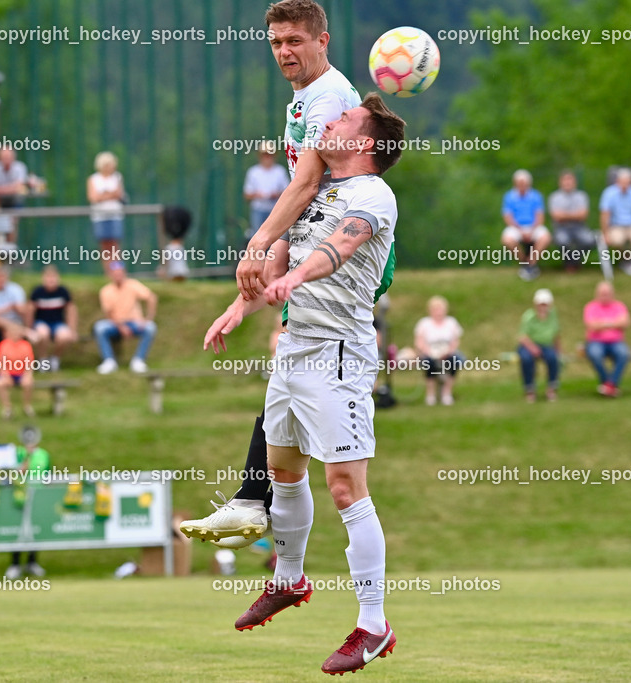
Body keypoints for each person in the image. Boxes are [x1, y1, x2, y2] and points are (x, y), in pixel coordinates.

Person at [200, 90, 405, 674]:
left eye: (343, 117)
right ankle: (289, 580)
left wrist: (297, 279)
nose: (331, 120)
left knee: (345, 487)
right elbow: (284, 264)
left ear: (363, 141)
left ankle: (373, 624)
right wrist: (239, 308)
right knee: (282, 471)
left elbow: (340, 249)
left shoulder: (372, 195)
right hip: (293, 350)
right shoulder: (321, 192)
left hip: (337, 354)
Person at [93, 261, 157, 375]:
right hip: (115, 323)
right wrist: (121, 327)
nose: (118, 275)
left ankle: (138, 360)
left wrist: (148, 318)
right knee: (99, 328)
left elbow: (151, 297)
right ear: (111, 275)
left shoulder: (133, 285)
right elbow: (109, 313)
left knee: (150, 327)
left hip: (134, 322)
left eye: (120, 273)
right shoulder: (106, 291)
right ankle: (109, 361)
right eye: (115, 273)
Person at [4, 428, 50, 579]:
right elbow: (14, 473)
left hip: (37, 496)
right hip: (19, 496)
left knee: (34, 529)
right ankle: (15, 565)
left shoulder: (44, 454)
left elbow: (47, 473)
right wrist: (25, 462)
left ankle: (32, 563)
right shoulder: (17, 452)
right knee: (19, 530)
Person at [599, 168, 631, 275]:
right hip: (616, 226)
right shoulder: (609, 193)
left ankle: (629, 259)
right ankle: (626, 259)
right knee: (617, 240)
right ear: (617, 181)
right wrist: (605, 234)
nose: (625, 185)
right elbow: (604, 215)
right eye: (623, 181)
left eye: (627, 182)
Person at [583, 280, 631, 397]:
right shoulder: (591, 307)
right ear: (597, 294)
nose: (605, 296)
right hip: (595, 342)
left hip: (616, 342)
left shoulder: (619, 306)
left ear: (612, 294)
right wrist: (613, 323)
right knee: (595, 354)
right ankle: (609, 384)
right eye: (602, 293)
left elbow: (625, 323)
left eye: (607, 293)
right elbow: (592, 326)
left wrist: (603, 324)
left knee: (624, 353)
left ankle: (609, 385)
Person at [501, 169, 550, 280]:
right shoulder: (509, 197)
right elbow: (508, 217)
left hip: (533, 227)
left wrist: (532, 230)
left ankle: (531, 263)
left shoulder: (536, 196)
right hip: (516, 227)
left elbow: (540, 217)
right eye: (519, 183)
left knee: (545, 237)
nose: (521, 185)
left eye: (524, 183)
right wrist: (520, 230)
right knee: (507, 239)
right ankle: (524, 262)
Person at [414, 296, 464, 406]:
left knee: (456, 360)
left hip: (447, 352)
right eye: (436, 309)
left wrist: (448, 351)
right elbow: (419, 342)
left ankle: (447, 393)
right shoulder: (424, 323)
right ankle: (430, 394)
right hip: (429, 352)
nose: (439, 312)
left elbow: (455, 341)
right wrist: (429, 352)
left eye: (441, 309)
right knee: (428, 362)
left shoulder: (451, 322)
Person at [29, 266, 78, 371]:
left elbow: (71, 310)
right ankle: (43, 360)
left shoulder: (63, 292)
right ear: (43, 278)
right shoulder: (37, 292)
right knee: (43, 333)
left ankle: (55, 359)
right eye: (48, 277)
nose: (51, 280)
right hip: (41, 322)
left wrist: (72, 330)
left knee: (64, 336)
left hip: (57, 323)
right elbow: (30, 311)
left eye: (53, 277)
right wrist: (29, 329)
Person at [517, 288, 560, 402]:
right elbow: (522, 336)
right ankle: (530, 390)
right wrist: (532, 348)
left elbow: (556, 333)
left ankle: (551, 388)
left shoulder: (553, 316)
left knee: (553, 358)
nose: (543, 307)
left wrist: (558, 349)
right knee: (526, 359)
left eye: (545, 304)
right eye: (540, 304)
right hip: (528, 345)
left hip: (546, 345)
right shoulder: (529, 316)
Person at [0, 266, 32, 358]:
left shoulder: (16, 289)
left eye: (2, 277)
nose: (0, 279)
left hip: (14, 320)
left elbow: (22, 309)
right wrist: (9, 307)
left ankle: (9, 365)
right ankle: (24, 331)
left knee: (8, 331)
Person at [243, 142, 290, 239]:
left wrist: (276, 195)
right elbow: (247, 194)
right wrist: (257, 195)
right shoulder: (253, 172)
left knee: (275, 238)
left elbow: (288, 192)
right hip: (258, 210)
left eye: (270, 155)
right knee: (257, 237)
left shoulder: (280, 171)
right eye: (265, 155)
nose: (267, 158)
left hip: (275, 211)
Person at [547, 170, 592, 271]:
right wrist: (575, 215)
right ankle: (569, 263)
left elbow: (583, 215)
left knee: (589, 240)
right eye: (565, 180)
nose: (568, 183)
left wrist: (564, 215)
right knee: (562, 240)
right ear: (560, 182)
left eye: (570, 180)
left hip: (579, 228)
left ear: (575, 182)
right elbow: (556, 216)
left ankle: (574, 260)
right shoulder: (554, 197)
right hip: (561, 228)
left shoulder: (582, 196)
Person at [87, 151, 125, 269]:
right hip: (100, 216)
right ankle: (108, 271)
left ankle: (117, 270)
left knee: (115, 245)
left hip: (115, 215)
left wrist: (102, 195)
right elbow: (93, 197)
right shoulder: (93, 179)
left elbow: (119, 194)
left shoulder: (117, 177)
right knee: (105, 246)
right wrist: (109, 194)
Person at [0, 322, 36, 419]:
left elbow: (29, 363)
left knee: (28, 382)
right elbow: (1, 363)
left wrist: (28, 375)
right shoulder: (3, 345)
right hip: (8, 373)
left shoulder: (26, 345)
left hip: (21, 373)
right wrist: (5, 375)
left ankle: (27, 406)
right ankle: (7, 408)